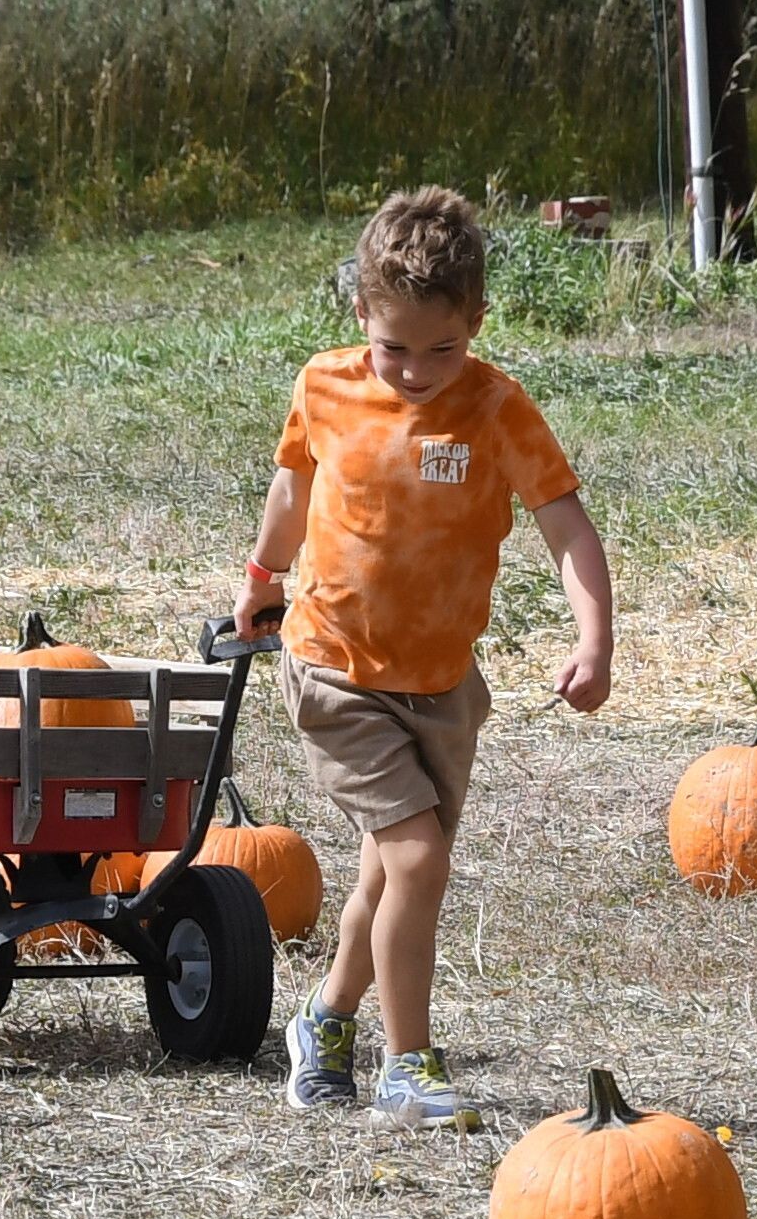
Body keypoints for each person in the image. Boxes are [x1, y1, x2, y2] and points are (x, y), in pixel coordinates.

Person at [233, 185, 614, 1124]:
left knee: (391, 868)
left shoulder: (497, 409)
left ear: (476, 322)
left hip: (442, 685)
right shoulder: (325, 387)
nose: (414, 370)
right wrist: (262, 577)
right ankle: (408, 1068)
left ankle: (324, 1020)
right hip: (334, 668)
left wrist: (594, 636)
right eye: (393, 347)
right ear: (361, 313)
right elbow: (292, 491)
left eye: (442, 349)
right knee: (416, 859)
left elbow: (566, 527)